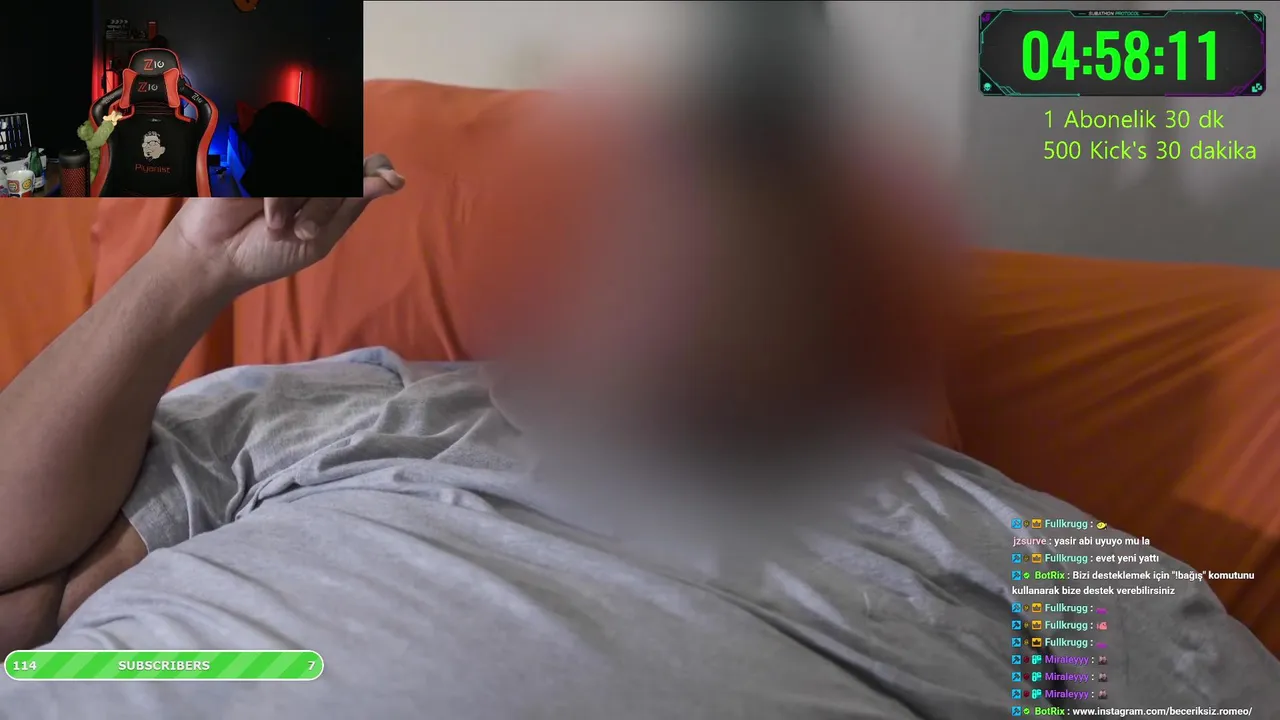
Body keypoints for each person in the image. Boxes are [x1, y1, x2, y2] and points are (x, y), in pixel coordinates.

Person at [2, 9, 1279, 715]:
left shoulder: (1010, 549)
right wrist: (191, 269)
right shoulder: (370, 405)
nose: (673, 288)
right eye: (633, 238)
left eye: (749, 250)